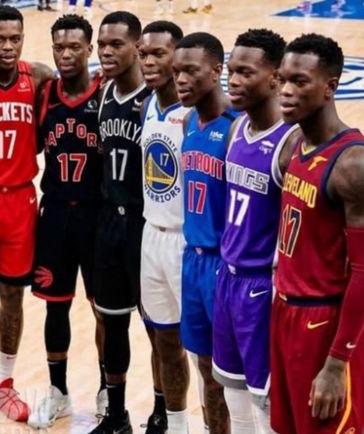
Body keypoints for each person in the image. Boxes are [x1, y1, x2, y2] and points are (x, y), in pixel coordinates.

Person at [272, 33, 364, 434]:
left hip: (324, 323)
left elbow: (363, 272)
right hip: (283, 309)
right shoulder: (294, 142)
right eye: (282, 79)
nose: (286, 91)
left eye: (300, 81)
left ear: (330, 87)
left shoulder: (352, 164)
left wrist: (337, 362)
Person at [0, 4, 54, 424]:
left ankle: (3, 383)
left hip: (21, 200)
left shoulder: (36, 77)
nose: (7, 46)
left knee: (13, 297)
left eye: (14, 38)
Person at [213, 29, 299, 434]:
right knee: (232, 391)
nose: (233, 81)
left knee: (266, 401)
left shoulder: (291, 143)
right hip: (227, 278)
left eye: (246, 73)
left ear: (275, 78)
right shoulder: (236, 131)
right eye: (231, 71)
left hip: (263, 287)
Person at [26, 14, 105, 429]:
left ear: (89, 49)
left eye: (75, 47)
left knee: (105, 311)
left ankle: (109, 390)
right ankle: (58, 392)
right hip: (55, 213)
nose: (66, 54)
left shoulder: (106, 95)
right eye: (59, 47)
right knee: (55, 309)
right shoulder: (45, 95)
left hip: (97, 216)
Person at [89, 11, 151, 434]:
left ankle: (163, 414)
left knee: (160, 331)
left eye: (116, 45)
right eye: (102, 45)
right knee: (112, 323)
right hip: (110, 222)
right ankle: (116, 415)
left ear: (137, 47)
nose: (106, 52)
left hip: (146, 226)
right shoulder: (105, 91)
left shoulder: (155, 99)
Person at [173, 31, 236, 434]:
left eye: (190, 71)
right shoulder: (188, 122)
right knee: (205, 367)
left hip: (225, 266)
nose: (180, 79)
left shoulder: (236, 127)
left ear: (216, 71)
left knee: (237, 377)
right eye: (176, 71)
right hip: (193, 260)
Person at [138, 20, 190, 434]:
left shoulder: (198, 113)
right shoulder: (147, 106)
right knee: (164, 342)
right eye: (144, 54)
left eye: (159, 53)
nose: (149, 62)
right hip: (151, 235)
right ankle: (178, 426)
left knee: (206, 356)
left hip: (189, 244)